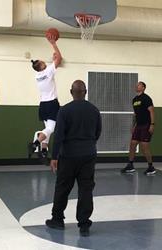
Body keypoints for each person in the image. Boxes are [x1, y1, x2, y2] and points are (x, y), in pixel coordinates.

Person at [45, 80, 102, 237]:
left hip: (68, 156)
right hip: (88, 155)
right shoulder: (94, 110)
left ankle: (57, 219)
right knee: (86, 189)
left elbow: (59, 136)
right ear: (86, 91)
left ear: (71, 92)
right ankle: (84, 224)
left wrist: (54, 157)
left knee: (62, 187)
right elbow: (98, 132)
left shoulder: (64, 111)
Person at [28, 34, 62, 160]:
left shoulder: (37, 75)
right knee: (50, 129)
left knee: (47, 128)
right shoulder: (48, 71)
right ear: (42, 66)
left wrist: (52, 60)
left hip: (43, 105)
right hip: (52, 104)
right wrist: (53, 44)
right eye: (43, 62)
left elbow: (51, 64)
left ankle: (43, 151)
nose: (45, 63)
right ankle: (35, 144)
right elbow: (59, 59)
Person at [121, 81, 156, 175]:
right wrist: (133, 126)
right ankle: (130, 165)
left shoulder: (146, 98)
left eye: (139, 85)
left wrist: (152, 124)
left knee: (144, 146)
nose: (136, 86)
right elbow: (136, 114)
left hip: (146, 125)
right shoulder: (134, 99)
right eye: (136, 85)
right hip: (138, 125)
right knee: (132, 144)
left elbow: (152, 111)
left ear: (143, 87)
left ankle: (151, 167)